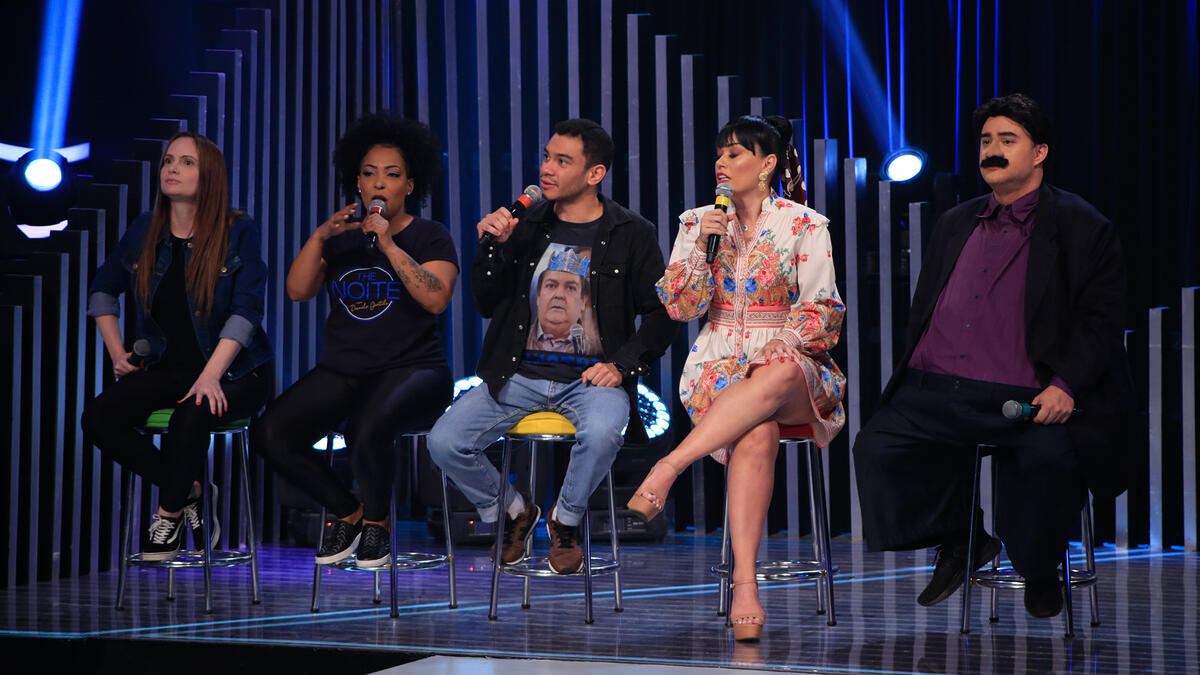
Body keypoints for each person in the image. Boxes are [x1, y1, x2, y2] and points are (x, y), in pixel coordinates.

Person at [852, 93, 1134, 619]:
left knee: (1047, 467)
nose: (993, 151)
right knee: (877, 450)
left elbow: (1102, 321)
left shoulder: (1080, 225)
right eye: (986, 141)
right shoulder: (956, 221)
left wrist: (1066, 385)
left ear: (1040, 152)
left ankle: (1040, 565)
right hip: (937, 388)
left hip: (1029, 398)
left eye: (1008, 140)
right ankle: (962, 538)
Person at [626, 115, 846, 642]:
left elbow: (824, 307)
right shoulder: (696, 222)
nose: (722, 164)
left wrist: (786, 341)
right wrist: (703, 248)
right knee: (757, 431)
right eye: (719, 155)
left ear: (767, 164)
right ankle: (745, 586)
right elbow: (682, 307)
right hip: (717, 362)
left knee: (775, 373)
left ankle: (670, 465)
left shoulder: (805, 224)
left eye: (735, 154)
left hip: (794, 365)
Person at [427, 119, 676, 575]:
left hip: (591, 379)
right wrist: (491, 250)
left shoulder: (632, 232)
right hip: (517, 373)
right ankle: (513, 510)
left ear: (594, 173)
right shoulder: (525, 222)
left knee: (602, 432)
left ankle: (565, 520)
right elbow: (485, 304)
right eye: (546, 156)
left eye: (563, 161)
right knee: (444, 441)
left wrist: (621, 366)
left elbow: (662, 315)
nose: (547, 168)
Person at [250, 114, 457, 569]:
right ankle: (349, 511)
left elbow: (436, 298)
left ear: (409, 185)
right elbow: (297, 291)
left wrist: (388, 246)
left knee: (365, 429)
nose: (379, 182)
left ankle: (379, 525)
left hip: (414, 370)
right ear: (357, 183)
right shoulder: (342, 240)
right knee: (270, 433)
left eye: (392, 173)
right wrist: (322, 236)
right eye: (368, 173)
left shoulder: (429, 235)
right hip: (345, 370)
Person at [81, 131, 273, 561]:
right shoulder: (144, 230)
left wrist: (211, 376)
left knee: (193, 412)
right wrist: (117, 353)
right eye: (169, 160)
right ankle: (189, 488)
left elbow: (246, 313)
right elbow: (102, 294)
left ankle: (167, 517)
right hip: (170, 367)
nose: (172, 169)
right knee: (98, 417)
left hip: (237, 371)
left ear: (210, 177)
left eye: (187, 162)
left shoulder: (237, 230)